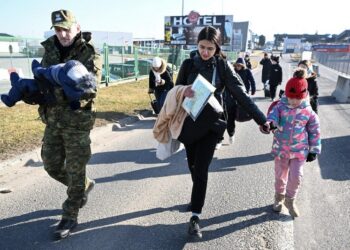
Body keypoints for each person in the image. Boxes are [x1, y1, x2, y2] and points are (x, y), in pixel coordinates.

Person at [174, 26, 271, 239]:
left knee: (201, 169)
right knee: (191, 165)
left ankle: (195, 217)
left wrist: (261, 120)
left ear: (217, 47)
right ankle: (196, 196)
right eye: (201, 47)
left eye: (210, 48)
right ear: (196, 45)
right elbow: (175, 91)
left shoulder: (223, 66)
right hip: (190, 124)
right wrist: (183, 91)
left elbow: (241, 94)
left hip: (212, 125)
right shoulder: (188, 64)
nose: (205, 52)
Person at [38, 9, 102, 240]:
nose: (63, 34)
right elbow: (43, 79)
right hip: (53, 118)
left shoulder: (89, 52)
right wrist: (34, 91)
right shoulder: (50, 49)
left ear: (77, 27)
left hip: (77, 121)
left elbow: (88, 87)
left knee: (75, 170)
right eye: (58, 29)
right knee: (51, 165)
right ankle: (83, 185)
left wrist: (57, 88)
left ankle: (70, 214)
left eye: (67, 28)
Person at [267, 69, 321, 218]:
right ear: (286, 94)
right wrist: (271, 124)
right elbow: (272, 117)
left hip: (299, 151)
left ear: (303, 96)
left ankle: (290, 200)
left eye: (297, 98)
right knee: (280, 176)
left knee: (296, 176)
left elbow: (315, 130)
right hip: (281, 149)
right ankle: (279, 198)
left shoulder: (308, 111)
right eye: (291, 97)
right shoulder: (280, 106)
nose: (293, 101)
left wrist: (314, 149)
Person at [223, 57, 256, 144]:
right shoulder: (233, 71)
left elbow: (251, 80)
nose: (238, 67)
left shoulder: (247, 71)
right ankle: (225, 136)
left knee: (239, 111)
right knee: (228, 116)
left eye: (239, 65)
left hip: (243, 94)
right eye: (236, 65)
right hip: (232, 95)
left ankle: (241, 118)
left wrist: (253, 89)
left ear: (242, 66)